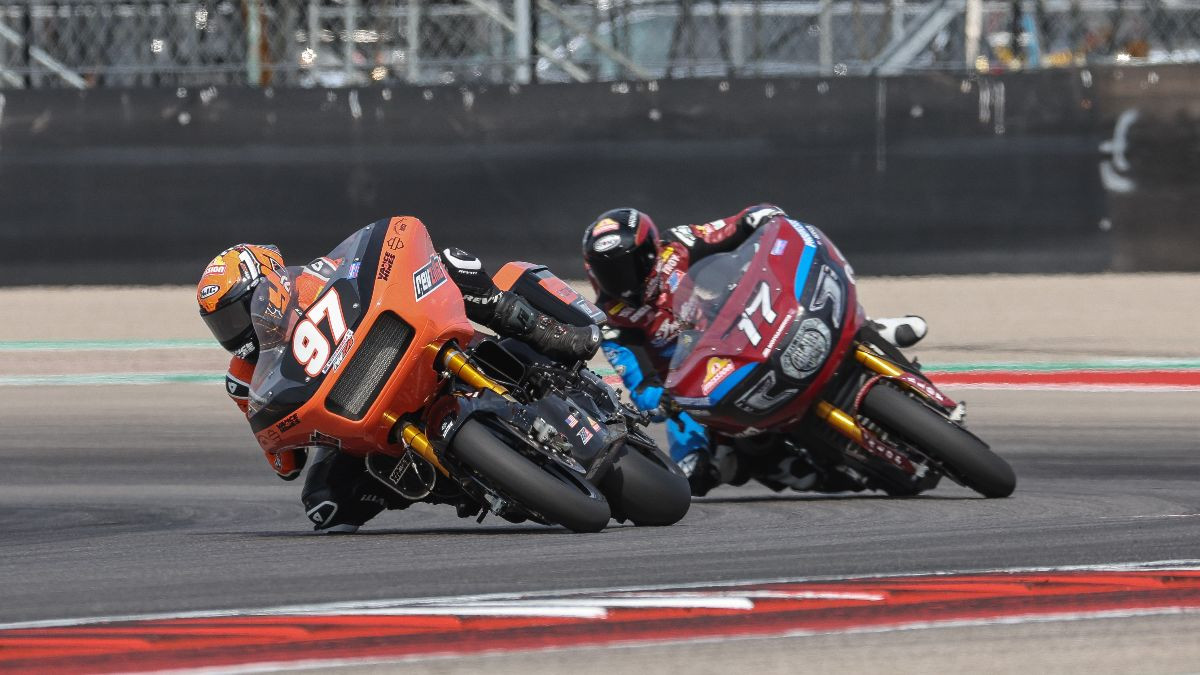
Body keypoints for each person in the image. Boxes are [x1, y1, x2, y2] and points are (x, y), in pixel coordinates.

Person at [197, 225, 600, 533]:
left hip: (398, 347)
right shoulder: (244, 379)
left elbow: (378, 265)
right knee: (325, 506)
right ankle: (451, 479)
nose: (235, 333)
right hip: (358, 403)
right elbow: (285, 464)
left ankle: (542, 328)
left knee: (451, 262)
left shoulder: (314, 278)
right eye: (221, 325)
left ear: (273, 282)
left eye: (238, 313)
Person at [581, 204, 927, 496]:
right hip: (701, 383)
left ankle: (868, 328)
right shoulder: (613, 322)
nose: (622, 278)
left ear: (651, 250)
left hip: (751, 323)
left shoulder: (681, 246)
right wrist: (663, 401)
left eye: (629, 264)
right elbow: (640, 383)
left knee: (818, 301)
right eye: (609, 271)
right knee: (696, 474)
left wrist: (761, 217)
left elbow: (734, 227)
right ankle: (802, 470)